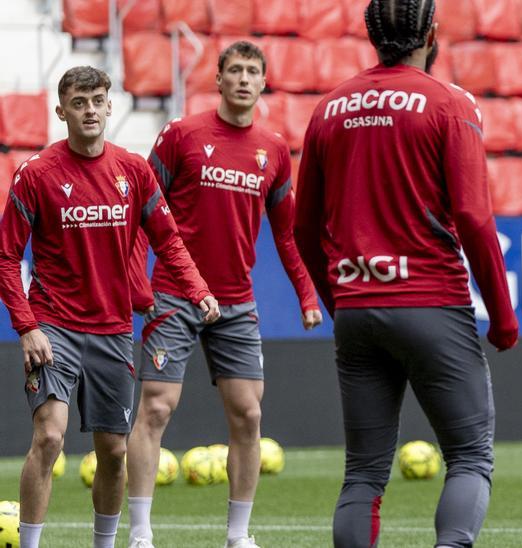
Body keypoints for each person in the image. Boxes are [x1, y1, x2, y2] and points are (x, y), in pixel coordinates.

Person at [293, 0, 518, 546]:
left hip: (356, 311)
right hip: (431, 304)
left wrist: (339, 299)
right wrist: (503, 315)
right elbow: (472, 215)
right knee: (468, 457)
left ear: (371, 35)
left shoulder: (329, 108)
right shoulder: (449, 103)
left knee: (364, 473)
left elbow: (302, 229)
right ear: (433, 33)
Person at [0, 66, 218, 548]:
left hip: (114, 329)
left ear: (110, 105)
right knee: (49, 437)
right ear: (62, 111)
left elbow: (169, 239)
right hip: (54, 326)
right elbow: (5, 256)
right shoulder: (36, 174)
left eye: (98, 99)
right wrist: (27, 326)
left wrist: (198, 287)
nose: (90, 110)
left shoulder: (133, 171)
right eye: (79, 102)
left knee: (114, 452)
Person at [124, 40, 323, 548]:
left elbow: (287, 233)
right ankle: (141, 534)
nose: (242, 78)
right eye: (233, 70)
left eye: (252, 71)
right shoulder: (181, 135)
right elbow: (142, 210)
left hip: (237, 302)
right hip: (174, 293)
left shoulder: (275, 150)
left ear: (263, 83)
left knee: (249, 414)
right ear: (217, 79)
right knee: (157, 408)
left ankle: (238, 536)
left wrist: (306, 295)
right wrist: (135, 280)